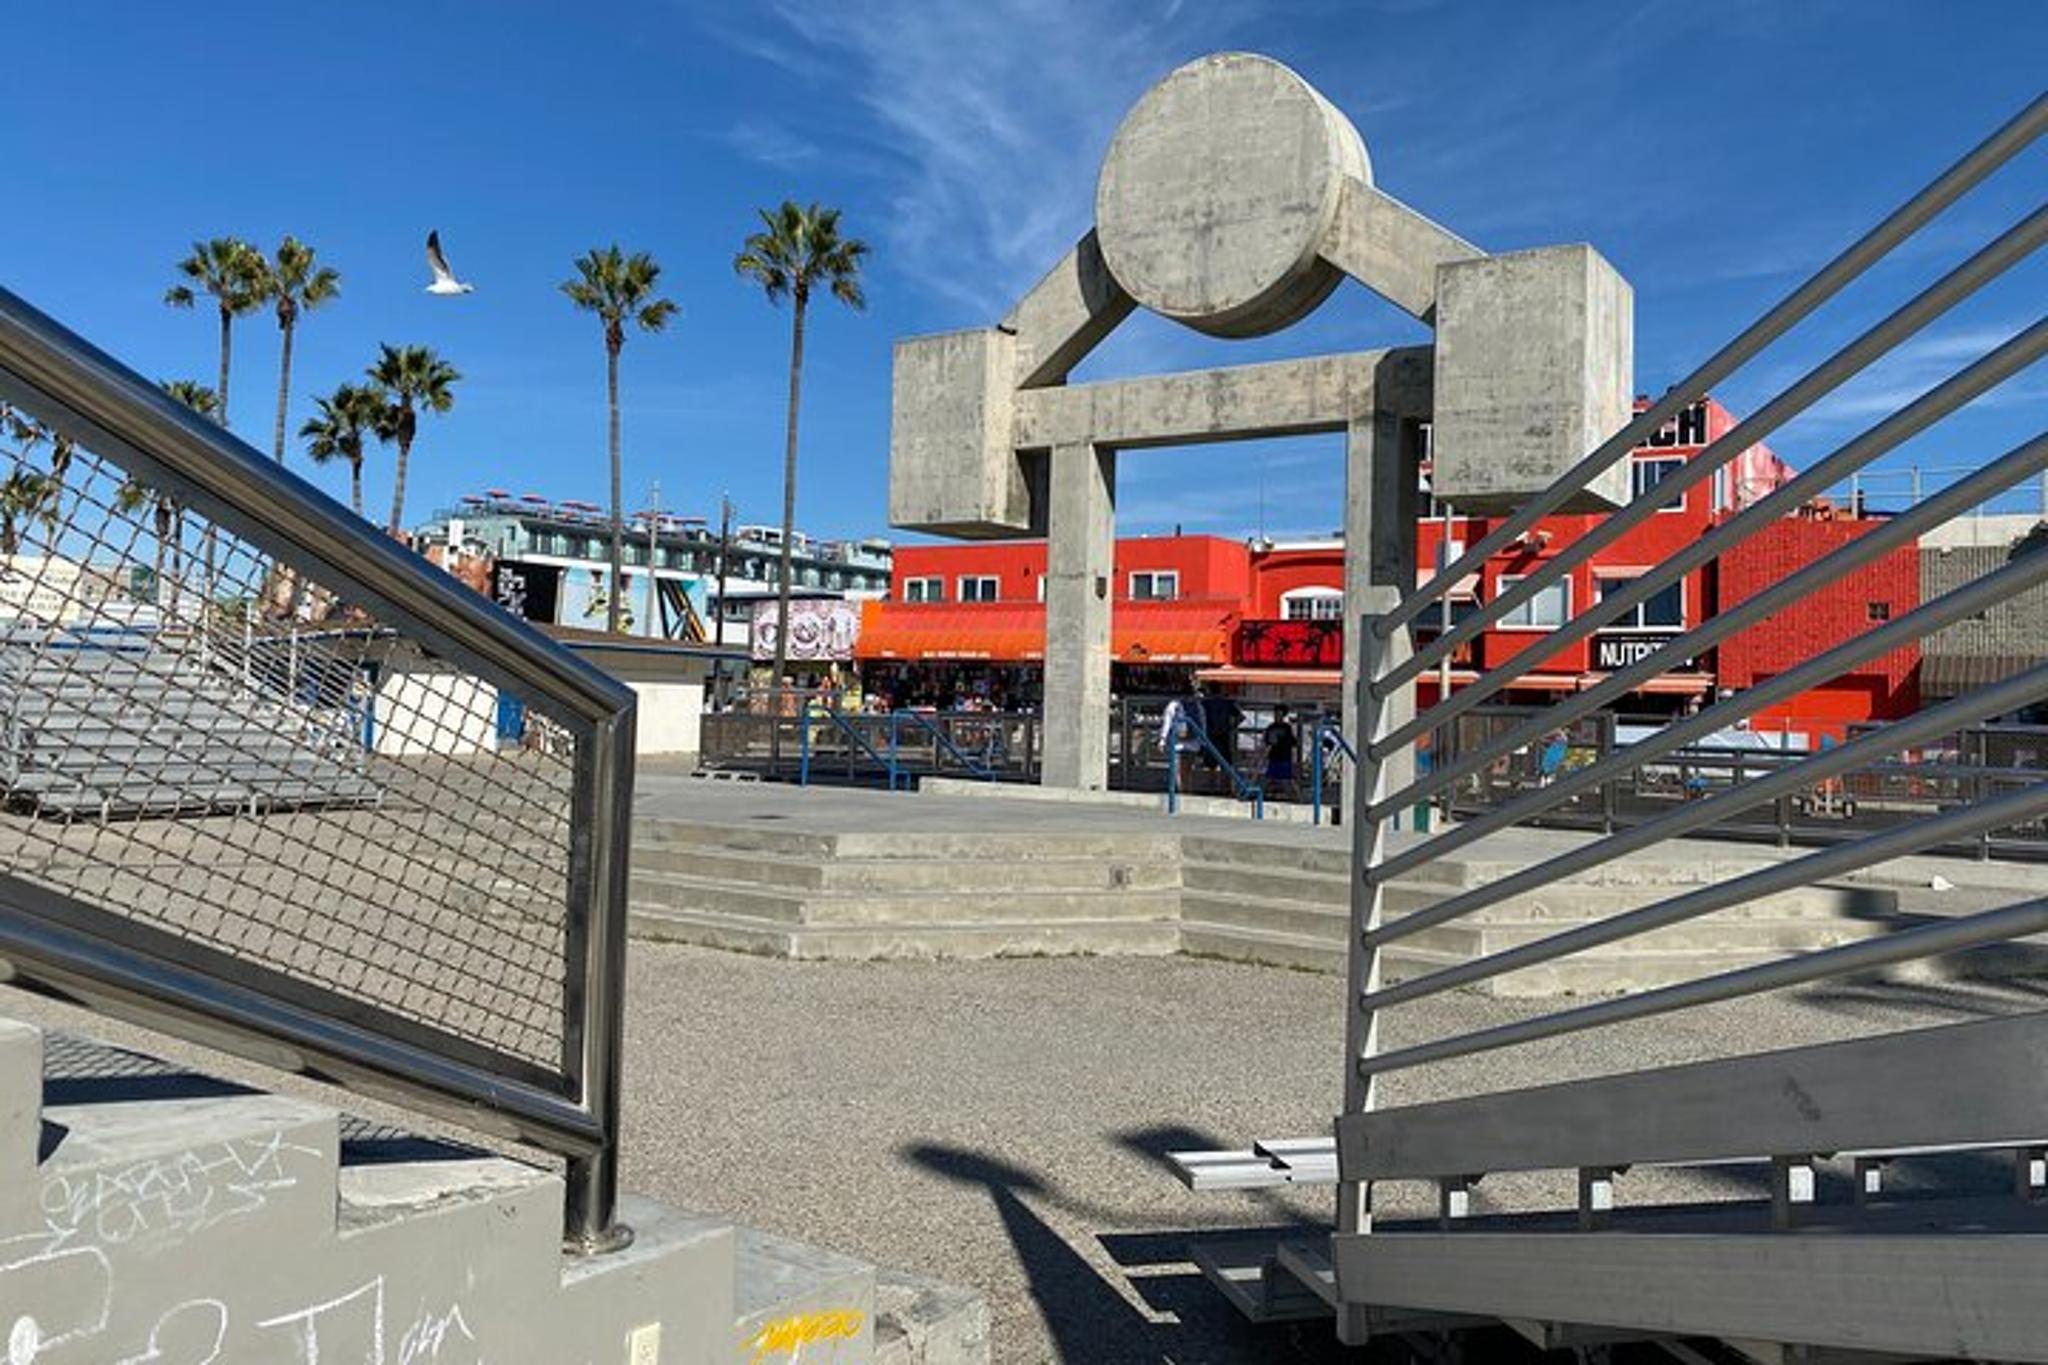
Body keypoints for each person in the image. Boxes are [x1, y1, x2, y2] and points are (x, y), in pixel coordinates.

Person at [1261, 704, 1300, 800]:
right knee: (1269, 778)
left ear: (1283, 715)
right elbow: (1266, 741)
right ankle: (1261, 795)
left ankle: (1297, 797)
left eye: (1279, 714)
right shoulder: (1270, 727)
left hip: (1284, 757)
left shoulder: (1287, 728)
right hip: (1274, 757)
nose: (1277, 716)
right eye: (1276, 714)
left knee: (1287, 779)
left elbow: (1293, 742)